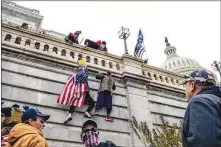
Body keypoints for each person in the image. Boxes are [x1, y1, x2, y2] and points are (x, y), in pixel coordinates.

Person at [180, 70, 221, 147]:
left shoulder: (199, 101)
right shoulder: (217, 100)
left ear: (192, 85)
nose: (185, 89)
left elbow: (205, 142)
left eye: (186, 84)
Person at [62, 58, 96, 124]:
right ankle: (87, 112)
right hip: (84, 91)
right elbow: (85, 72)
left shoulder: (76, 73)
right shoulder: (84, 71)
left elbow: (70, 79)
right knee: (92, 102)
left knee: (74, 103)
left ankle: (69, 115)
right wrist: (82, 63)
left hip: (77, 91)